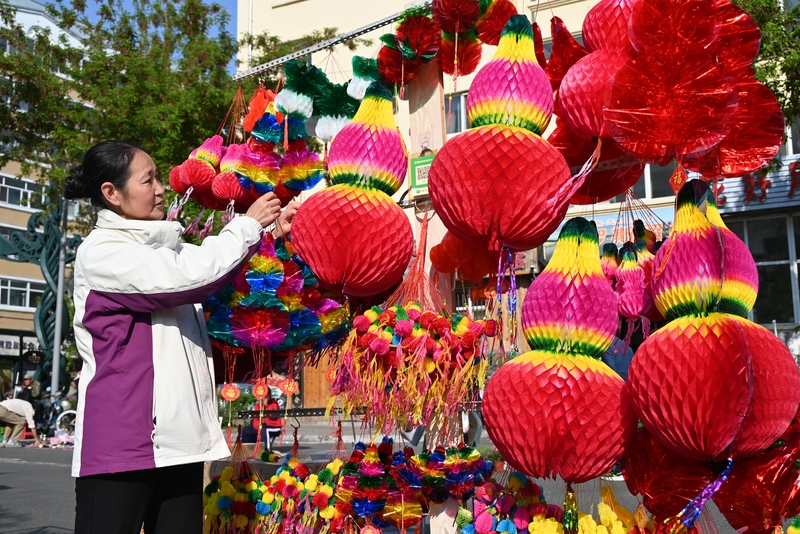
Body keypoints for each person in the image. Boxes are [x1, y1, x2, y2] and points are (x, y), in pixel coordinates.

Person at [64, 140, 284, 534]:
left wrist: (270, 237)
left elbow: (211, 282)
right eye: (148, 180)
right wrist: (248, 225)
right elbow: (192, 276)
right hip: (122, 446)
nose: (161, 188)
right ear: (111, 194)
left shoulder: (167, 250)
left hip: (179, 444)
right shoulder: (103, 253)